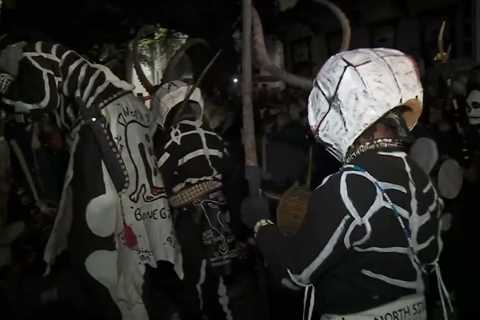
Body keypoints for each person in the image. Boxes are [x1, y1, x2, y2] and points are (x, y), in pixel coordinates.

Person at [241, 48, 449, 320]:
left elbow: (298, 271)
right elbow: (428, 254)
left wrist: (260, 224)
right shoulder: (416, 173)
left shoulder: (349, 185)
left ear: (345, 115)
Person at [0, 40, 182, 319]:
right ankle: (136, 298)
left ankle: (123, 302)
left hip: (100, 122)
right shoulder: (83, 68)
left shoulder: (31, 54)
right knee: (132, 221)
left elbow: (38, 99)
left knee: (94, 239)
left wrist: (4, 84)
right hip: (127, 118)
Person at [150, 80, 238, 320]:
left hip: (192, 217)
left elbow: (159, 177)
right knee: (217, 277)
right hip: (220, 213)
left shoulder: (175, 138)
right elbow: (230, 173)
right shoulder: (214, 137)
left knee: (194, 278)